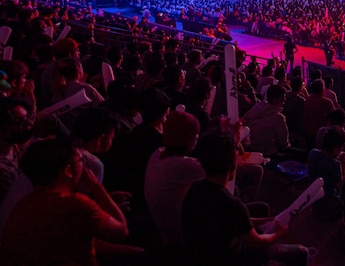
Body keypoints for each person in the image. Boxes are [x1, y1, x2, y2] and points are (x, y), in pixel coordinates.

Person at [182, 129, 307, 266]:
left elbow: (229, 222)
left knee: (261, 209)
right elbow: (256, 243)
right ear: (232, 165)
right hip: (233, 259)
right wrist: (278, 233)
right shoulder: (232, 205)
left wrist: (262, 221)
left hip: (202, 256)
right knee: (301, 252)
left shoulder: (194, 190)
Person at [0, 139, 130, 266]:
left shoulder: (23, 206)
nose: (84, 167)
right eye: (81, 161)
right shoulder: (75, 203)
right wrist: (96, 187)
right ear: (68, 170)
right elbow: (122, 231)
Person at [144, 111, 204, 247]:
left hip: (161, 229)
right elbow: (221, 171)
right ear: (188, 137)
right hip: (179, 237)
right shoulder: (182, 166)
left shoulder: (157, 154)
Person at [307, 127, 345, 220]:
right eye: (341, 147)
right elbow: (340, 187)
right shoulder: (334, 164)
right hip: (330, 206)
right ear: (336, 147)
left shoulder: (312, 153)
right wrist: (343, 165)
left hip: (314, 202)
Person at [242, 84, 290, 157]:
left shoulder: (256, 108)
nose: (284, 100)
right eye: (283, 97)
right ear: (275, 99)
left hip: (251, 149)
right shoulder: (278, 118)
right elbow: (283, 142)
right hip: (268, 152)